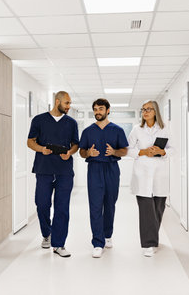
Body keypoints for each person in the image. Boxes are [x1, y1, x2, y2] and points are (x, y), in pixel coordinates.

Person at [27, 91, 79, 258]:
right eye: (67, 103)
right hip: (44, 169)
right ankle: (47, 234)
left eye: (70, 104)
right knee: (42, 204)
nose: (69, 107)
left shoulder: (71, 123)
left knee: (62, 208)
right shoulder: (39, 120)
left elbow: (75, 144)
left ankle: (59, 244)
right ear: (58, 102)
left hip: (64, 171)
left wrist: (69, 153)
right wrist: (42, 149)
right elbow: (30, 141)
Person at [79, 98, 128, 258]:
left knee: (110, 204)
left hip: (111, 169)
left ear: (108, 110)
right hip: (94, 170)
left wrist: (114, 152)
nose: (97, 112)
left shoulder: (117, 130)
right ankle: (97, 242)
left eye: (100, 108)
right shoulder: (88, 131)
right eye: (95, 109)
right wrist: (88, 153)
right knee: (95, 206)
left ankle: (107, 236)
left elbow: (124, 150)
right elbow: (81, 152)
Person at [127, 100, 174, 257]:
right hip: (142, 174)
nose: (145, 112)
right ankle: (148, 244)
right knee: (146, 210)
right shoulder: (136, 130)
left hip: (160, 174)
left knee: (158, 210)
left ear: (155, 112)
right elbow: (128, 149)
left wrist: (161, 151)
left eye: (149, 109)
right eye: (143, 109)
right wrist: (143, 152)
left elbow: (172, 149)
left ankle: (153, 238)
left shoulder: (164, 129)